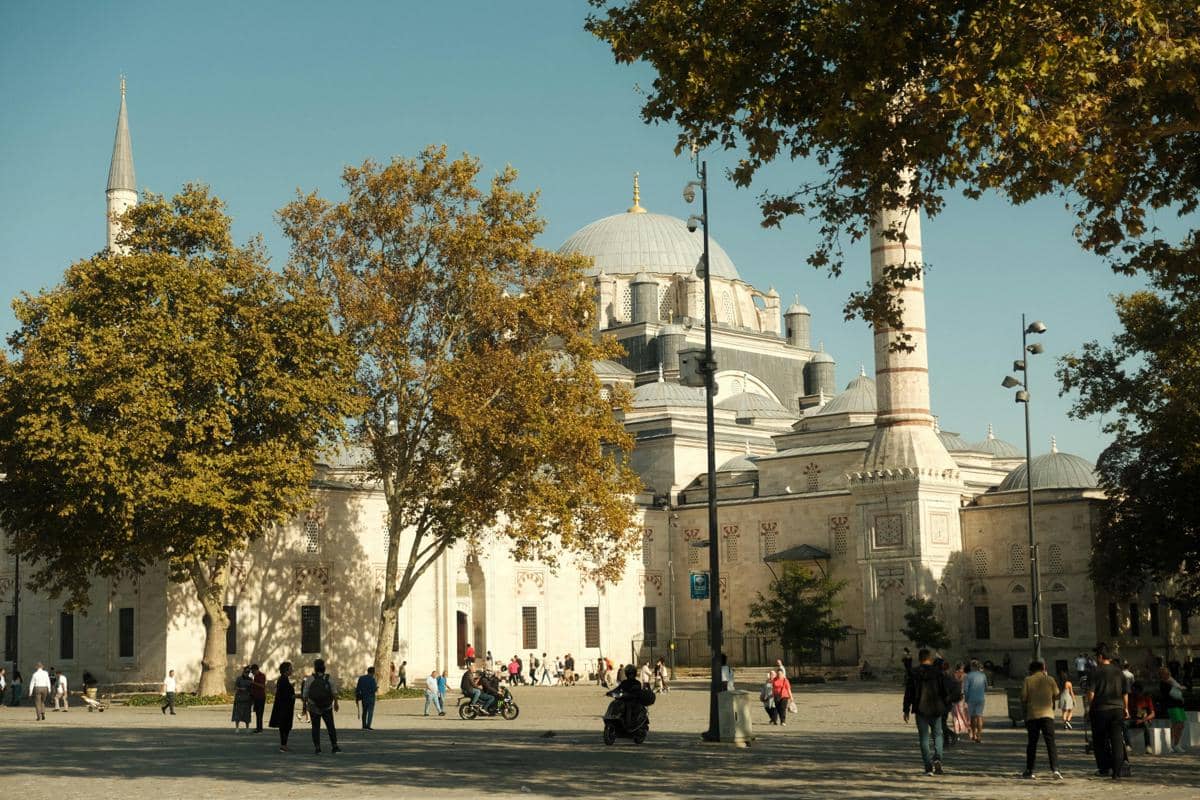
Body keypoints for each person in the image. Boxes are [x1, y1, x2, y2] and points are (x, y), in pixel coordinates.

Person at [903, 648, 958, 776]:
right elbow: (953, 687)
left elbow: (909, 692)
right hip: (936, 708)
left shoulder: (914, 673)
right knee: (938, 735)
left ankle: (928, 767)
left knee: (924, 738)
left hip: (921, 709)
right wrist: (947, 700)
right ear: (930, 658)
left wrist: (906, 709)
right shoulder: (938, 672)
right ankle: (938, 757)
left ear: (919, 659)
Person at [1086, 642, 1130, 779]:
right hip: (1117, 708)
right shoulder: (1119, 671)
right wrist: (1126, 708)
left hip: (1100, 709)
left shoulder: (1095, 671)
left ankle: (1105, 768)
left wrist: (1089, 708)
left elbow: (1091, 694)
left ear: (1100, 656)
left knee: (1100, 740)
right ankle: (1117, 771)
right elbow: (1125, 693)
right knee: (1117, 739)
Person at [1020, 660, 1062, 780]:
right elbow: (1057, 694)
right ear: (1043, 668)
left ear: (1031, 670)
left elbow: (1023, 696)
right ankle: (1055, 769)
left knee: (1032, 743)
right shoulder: (1050, 679)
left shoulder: (1028, 680)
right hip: (1047, 714)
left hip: (1033, 715)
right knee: (1050, 743)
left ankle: (1030, 770)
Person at [304, 658, 340, 754]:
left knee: (315, 727)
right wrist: (336, 703)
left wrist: (305, 706)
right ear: (324, 668)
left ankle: (317, 747)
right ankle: (334, 746)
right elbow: (334, 692)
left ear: (315, 668)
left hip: (313, 706)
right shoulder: (328, 678)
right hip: (327, 706)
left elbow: (305, 694)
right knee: (330, 726)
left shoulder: (310, 679)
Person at [269, 661, 297, 752]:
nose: (292, 670)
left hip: (284, 707)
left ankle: (284, 744)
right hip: (284, 707)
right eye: (290, 668)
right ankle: (283, 745)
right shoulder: (283, 680)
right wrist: (296, 695)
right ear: (286, 670)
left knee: (285, 726)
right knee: (285, 726)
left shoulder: (283, 679)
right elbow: (286, 695)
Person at [1159, 665, 1187, 753]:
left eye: (1168, 673)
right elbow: (1174, 694)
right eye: (1165, 673)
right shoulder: (1164, 684)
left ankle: (1176, 744)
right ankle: (1172, 745)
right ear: (1162, 675)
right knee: (1176, 725)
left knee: (1181, 725)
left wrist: (1178, 687)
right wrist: (1179, 688)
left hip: (1179, 705)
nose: (1167, 675)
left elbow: (1179, 690)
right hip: (1172, 706)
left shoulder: (1171, 681)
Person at [963, 659, 988, 743]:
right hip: (980, 698)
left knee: (973, 717)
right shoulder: (983, 675)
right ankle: (979, 736)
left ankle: (973, 734)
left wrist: (966, 698)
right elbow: (986, 687)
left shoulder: (968, 676)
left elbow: (965, 689)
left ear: (971, 666)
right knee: (979, 716)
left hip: (971, 698)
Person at [1128, 682, 1156, 751]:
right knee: (1124, 725)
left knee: (1146, 725)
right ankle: (1128, 745)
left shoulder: (1146, 698)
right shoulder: (1130, 698)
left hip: (1143, 720)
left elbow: (1153, 714)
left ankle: (1148, 746)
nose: (1134, 692)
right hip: (1133, 719)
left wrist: (1143, 720)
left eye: (1135, 690)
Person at [355, 666, 378, 730]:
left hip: (364, 697)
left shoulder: (361, 678)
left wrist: (357, 696)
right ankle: (368, 725)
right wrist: (376, 688)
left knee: (364, 711)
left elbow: (358, 688)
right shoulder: (372, 679)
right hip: (371, 697)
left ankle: (364, 725)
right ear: (373, 672)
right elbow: (374, 689)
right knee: (370, 712)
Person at [232, 666, 253, 731]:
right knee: (237, 713)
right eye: (246, 672)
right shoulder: (239, 679)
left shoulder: (250, 680)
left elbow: (252, 689)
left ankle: (247, 728)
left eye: (248, 672)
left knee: (247, 713)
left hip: (247, 699)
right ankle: (237, 727)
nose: (247, 673)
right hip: (239, 698)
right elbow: (235, 687)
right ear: (243, 672)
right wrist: (240, 689)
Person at [250, 664, 267, 732]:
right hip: (255, 697)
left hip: (261, 697)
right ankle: (258, 727)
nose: (252, 672)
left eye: (253, 671)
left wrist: (253, 683)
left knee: (260, 713)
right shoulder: (254, 676)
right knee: (257, 713)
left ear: (256, 669)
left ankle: (260, 728)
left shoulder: (262, 675)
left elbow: (262, 686)